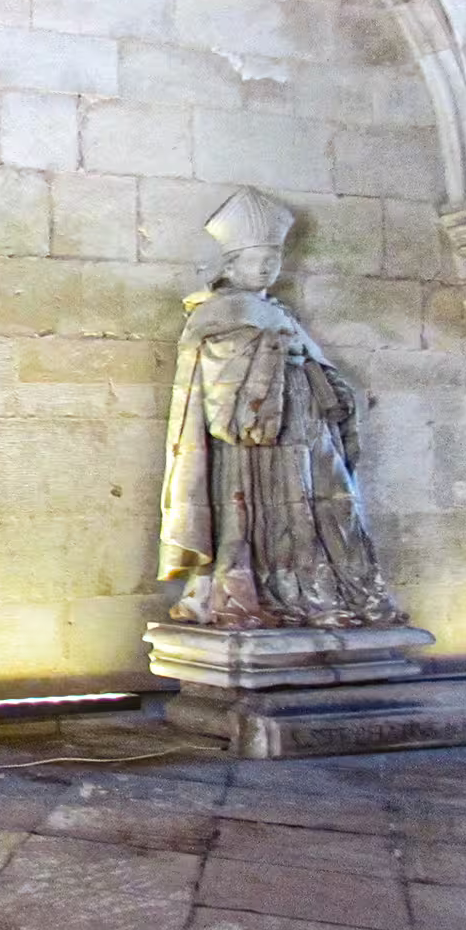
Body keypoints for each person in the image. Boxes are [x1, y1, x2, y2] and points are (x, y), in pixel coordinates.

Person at [158, 187, 403, 630]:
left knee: (325, 506)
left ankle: (318, 590)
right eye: (258, 260)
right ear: (231, 265)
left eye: (273, 259)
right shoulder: (218, 313)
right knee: (259, 516)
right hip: (254, 445)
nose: (269, 267)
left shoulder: (278, 311)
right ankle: (261, 589)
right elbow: (219, 388)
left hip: (303, 433)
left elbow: (315, 364)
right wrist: (271, 350)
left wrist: (327, 384)